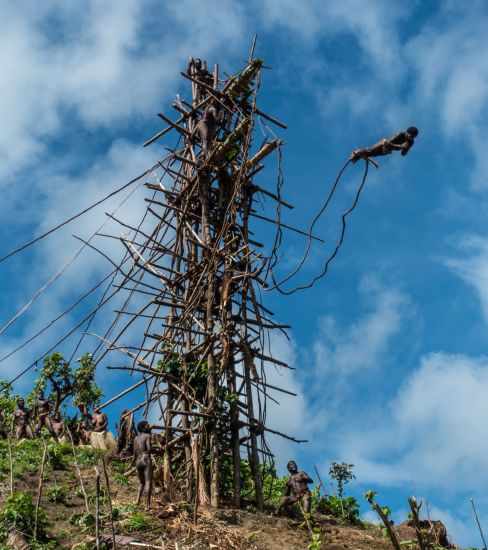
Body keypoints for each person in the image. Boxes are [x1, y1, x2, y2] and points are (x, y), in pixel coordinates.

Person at [350, 127, 419, 163]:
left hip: (388, 150)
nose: (410, 137)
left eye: (412, 137)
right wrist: (400, 146)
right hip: (384, 144)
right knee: (370, 150)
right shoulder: (401, 134)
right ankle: (356, 153)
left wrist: (406, 149)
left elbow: (403, 154)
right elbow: (388, 142)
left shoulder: (410, 142)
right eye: (410, 135)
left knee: (371, 154)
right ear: (407, 132)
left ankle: (357, 157)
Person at [132, 420, 153, 510]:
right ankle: (147, 505)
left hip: (138, 461)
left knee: (141, 483)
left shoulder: (136, 438)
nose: (149, 427)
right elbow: (149, 448)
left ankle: (137, 500)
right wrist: (157, 449)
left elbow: (134, 453)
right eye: (147, 425)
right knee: (148, 482)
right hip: (146, 459)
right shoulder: (147, 436)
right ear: (144, 427)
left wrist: (131, 464)